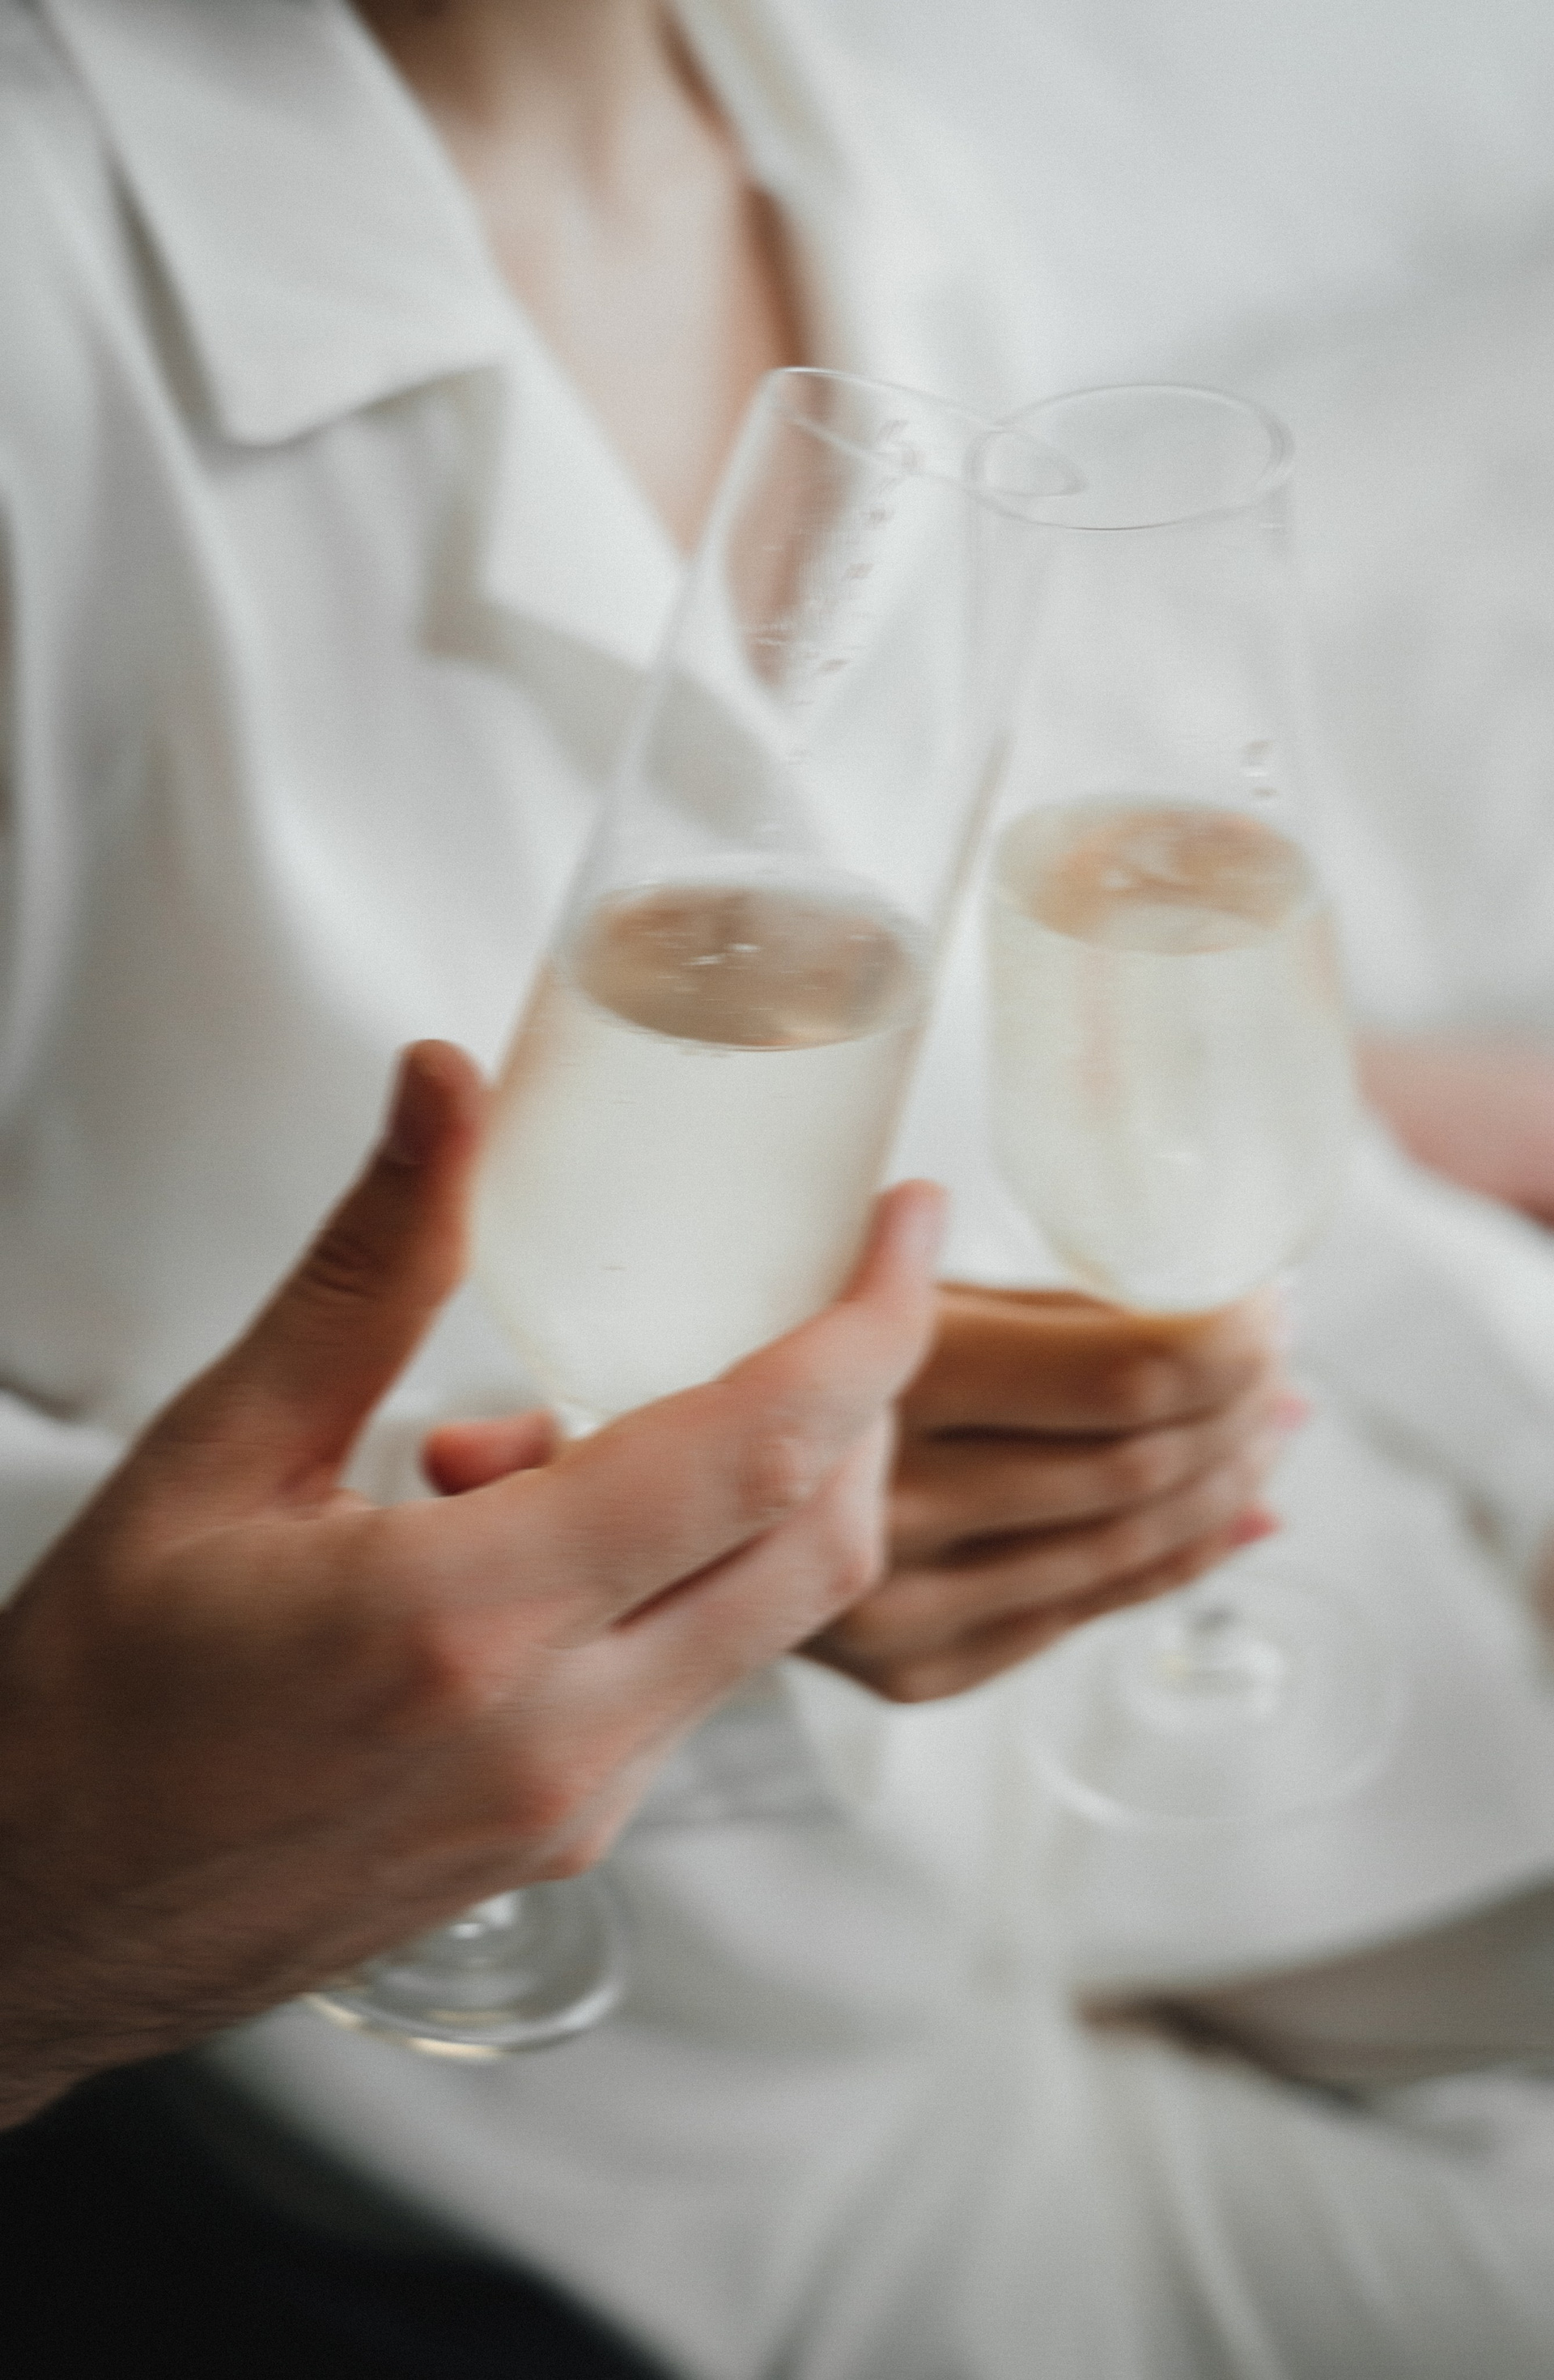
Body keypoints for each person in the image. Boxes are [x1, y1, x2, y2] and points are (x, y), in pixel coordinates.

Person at [6, 3, 1554, 2377]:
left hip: (1160, 1749)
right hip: (706, 2076)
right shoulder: (48, 308)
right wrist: (680, 1576)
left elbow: (1041, 1007)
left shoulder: (851, 153)